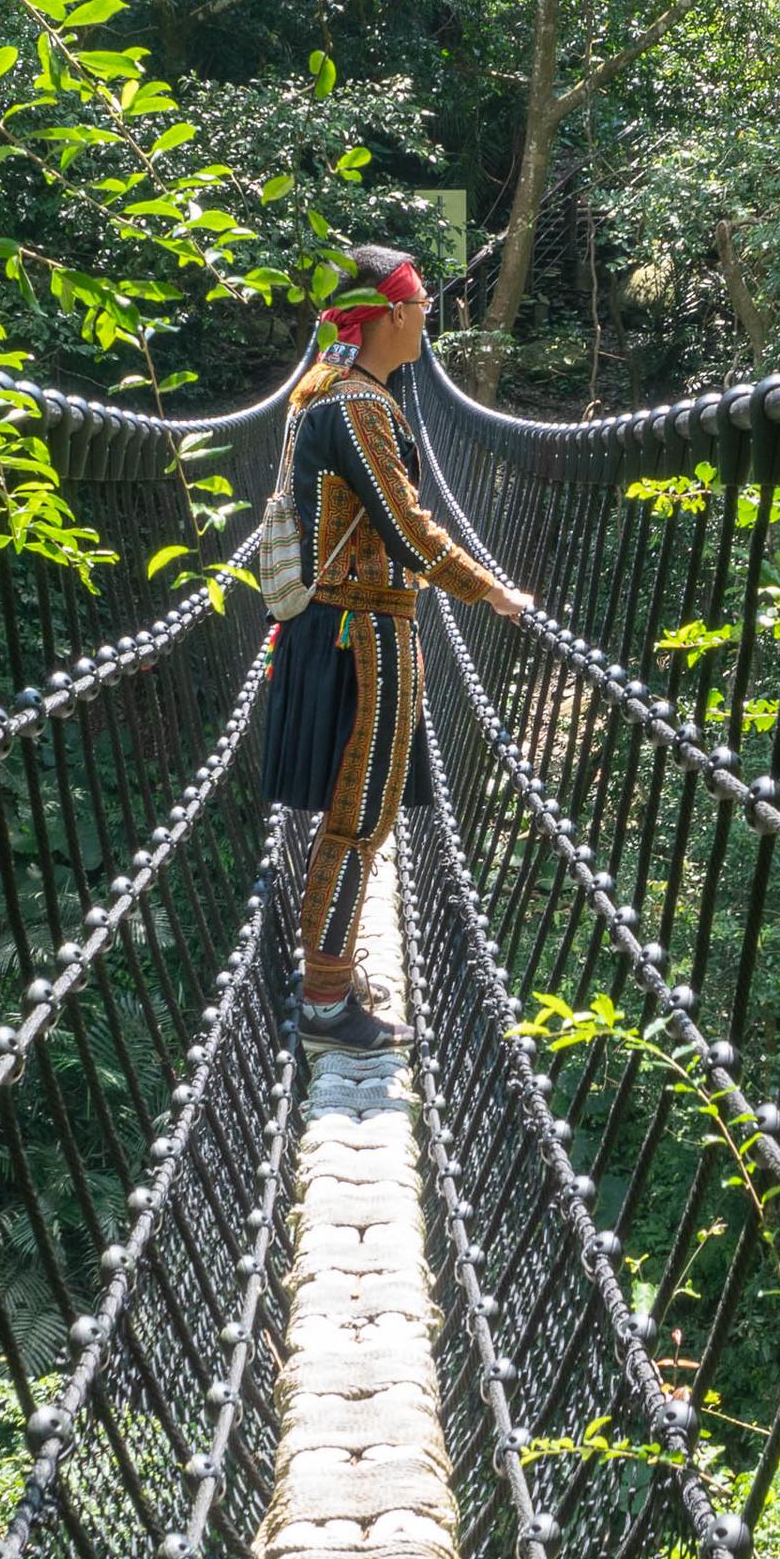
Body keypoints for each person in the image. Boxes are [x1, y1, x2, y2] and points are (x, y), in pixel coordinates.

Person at [261, 245, 533, 1050]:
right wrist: (490, 590)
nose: (426, 321)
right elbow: (407, 527)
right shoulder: (359, 408)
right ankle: (324, 1004)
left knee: (356, 814)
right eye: (417, 308)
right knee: (359, 816)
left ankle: (328, 973)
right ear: (388, 316)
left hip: (340, 626)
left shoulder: (327, 390)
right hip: (363, 633)